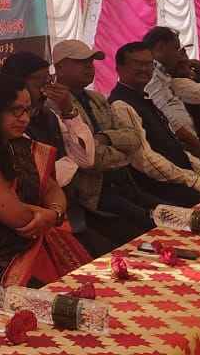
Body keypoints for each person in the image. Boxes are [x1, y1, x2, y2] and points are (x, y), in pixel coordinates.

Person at [0, 74, 91, 287]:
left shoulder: (19, 144)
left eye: (27, 110)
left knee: (85, 282)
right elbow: (19, 218)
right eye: (15, 110)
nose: (25, 119)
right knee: (58, 290)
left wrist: (54, 213)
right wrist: (51, 214)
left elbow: (52, 189)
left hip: (27, 237)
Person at [0, 52, 110, 257]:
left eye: (49, 81)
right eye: (40, 83)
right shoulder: (8, 125)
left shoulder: (48, 115)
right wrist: (65, 163)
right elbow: (42, 176)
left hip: (65, 211)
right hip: (30, 220)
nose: (47, 89)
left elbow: (86, 159)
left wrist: (68, 110)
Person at [51, 40, 161, 248]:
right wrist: (120, 151)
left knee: (168, 215)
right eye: (81, 62)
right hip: (93, 194)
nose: (89, 67)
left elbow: (134, 139)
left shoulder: (96, 98)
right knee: (150, 231)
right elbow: (92, 160)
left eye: (91, 62)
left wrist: (105, 138)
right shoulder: (54, 106)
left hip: (124, 181)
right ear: (60, 67)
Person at [108, 42, 200, 208]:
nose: (145, 69)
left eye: (149, 64)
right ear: (119, 68)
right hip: (159, 188)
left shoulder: (144, 98)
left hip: (180, 178)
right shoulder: (121, 105)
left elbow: (172, 144)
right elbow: (145, 160)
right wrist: (196, 182)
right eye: (138, 64)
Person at [141, 27, 200, 173]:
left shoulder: (164, 73)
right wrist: (199, 147)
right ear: (160, 47)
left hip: (193, 138)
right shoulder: (151, 76)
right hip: (182, 144)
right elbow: (171, 120)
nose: (179, 55)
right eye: (176, 49)